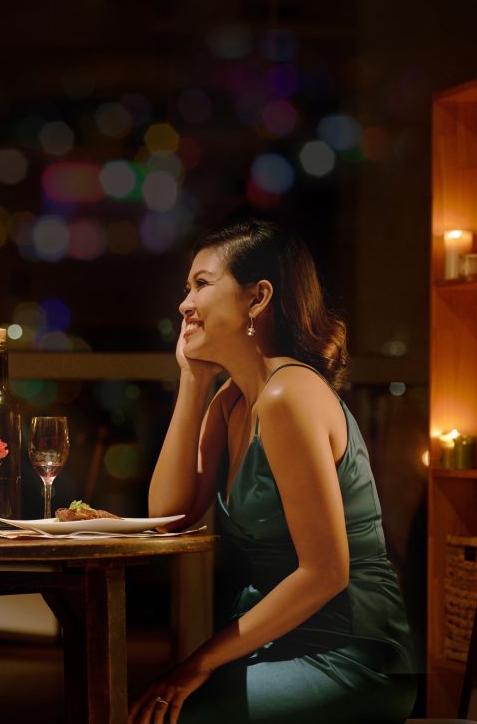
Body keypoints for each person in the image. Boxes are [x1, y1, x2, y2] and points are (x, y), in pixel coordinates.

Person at [130, 219, 415, 724]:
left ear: (257, 298)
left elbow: (326, 572)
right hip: (276, 645)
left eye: (201, 284)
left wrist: (195, 664)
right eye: (186, 288)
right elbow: (168, 513)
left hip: (349, 657)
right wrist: (192, 382)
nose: (184, 304)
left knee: (167, 716)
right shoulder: (231, 400)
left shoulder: (289, 395)